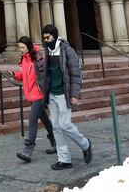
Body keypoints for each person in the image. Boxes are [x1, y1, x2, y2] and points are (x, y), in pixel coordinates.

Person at [41, 23, 92, 170]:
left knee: (65, 124)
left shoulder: (67, 51)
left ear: (54, 36)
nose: (46, 40)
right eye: (44, 38)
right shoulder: (48, 51)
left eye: (48, 37)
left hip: (64, 93)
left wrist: (75, 94)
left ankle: (85, 144)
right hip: (52, 94)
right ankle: (64, 159)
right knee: (56, 127)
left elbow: (76, 74)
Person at [9, 36, 57, 162]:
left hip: (39, 94)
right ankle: (55, 142)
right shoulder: (23, 59)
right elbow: (24, 76)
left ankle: (28, 150)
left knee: (32, 121)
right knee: (45, 120)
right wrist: (14, 75)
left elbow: (45, 74)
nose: (21, 50)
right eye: (19, 47)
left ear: (29, 46)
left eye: (23, 47)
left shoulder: (38, 57)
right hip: (30, 94)